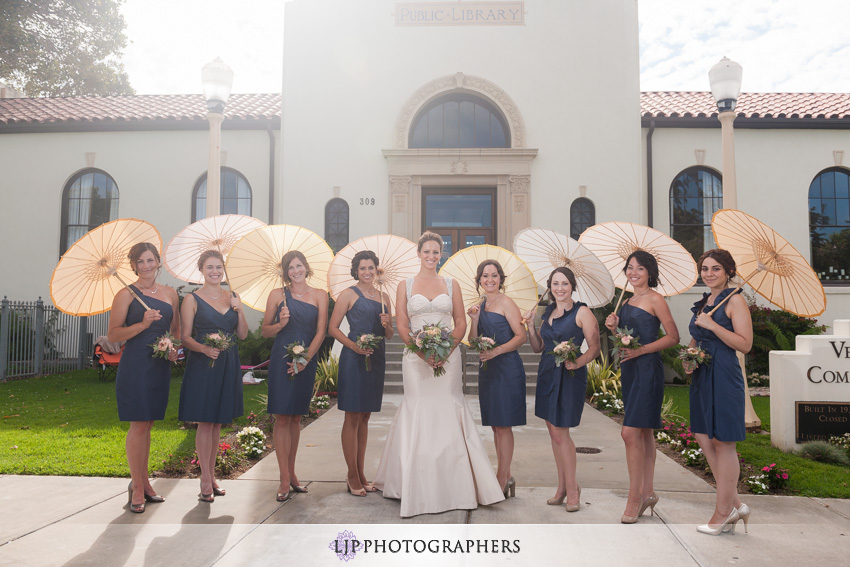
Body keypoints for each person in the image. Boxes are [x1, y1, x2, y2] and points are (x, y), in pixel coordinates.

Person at [372, 232, 505, 517]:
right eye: (427, 251)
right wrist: (422, 353)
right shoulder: (404, 286)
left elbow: (459, 320)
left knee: (447, 407)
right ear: (418, 253)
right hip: (415, 358)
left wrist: (446, 350)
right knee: (418, 409)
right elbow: (404, 325)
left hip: (449, 356)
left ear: (440, 254)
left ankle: (454, 486)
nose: (431, 256)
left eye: (436, 252)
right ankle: (414, 485)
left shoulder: (451, 284)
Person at [604, 250, 679, 524]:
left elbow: (673, 336)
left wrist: (641, 351)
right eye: (630, 268)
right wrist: (613, 328)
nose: (633, 272)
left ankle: (634, 498)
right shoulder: (627, 300)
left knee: (629, 433)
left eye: (639, 268)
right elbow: (626, 339)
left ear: (650, 272)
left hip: (647, 370)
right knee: (644, 433)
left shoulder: (655, 299)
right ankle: (648, 492)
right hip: (630, 369)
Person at [108, 242, 180, 513]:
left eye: (151, 260)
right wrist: (142, 324)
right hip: (136, 365)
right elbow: (114, 335)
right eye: (141, 262)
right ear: (134, 266)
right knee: (138, 424)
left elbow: (175, 332)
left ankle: (145, 482)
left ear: (158, 262)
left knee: (149, 424)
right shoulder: (125, 294)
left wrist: (173, 349)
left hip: (159, 366)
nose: (147, 266)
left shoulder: (171, 294)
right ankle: (137, 486)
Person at [686, 249, 753, 535]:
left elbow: (745, 344)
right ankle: (737, 503)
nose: (709, 273)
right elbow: (697, 335)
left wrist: (713, 324)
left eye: (715, 268)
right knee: (703, 434)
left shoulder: (735, 301)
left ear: (728, 272)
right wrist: (689, 356)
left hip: (724, 374)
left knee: (723, 441)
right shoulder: (706, 302)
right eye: (705, 268)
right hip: (702, 373)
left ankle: (723, 512)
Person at [523, 267, 600, 512]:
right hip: (547, 373)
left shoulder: (582, 312)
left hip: (569, 375)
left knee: (561, 433)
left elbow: (595, 348)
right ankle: (563, 487)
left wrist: (576, 362)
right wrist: (530, 327)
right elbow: (538, 348)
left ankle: (573, 489)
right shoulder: (547, 313)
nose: (559, 288)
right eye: (555, 284)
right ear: (550, 286)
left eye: (564, 283)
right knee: (553, 435)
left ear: (572, 285)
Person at [178, 250, 249, 502]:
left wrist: (240, 310)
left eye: (219, 267)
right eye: (210, 267)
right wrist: (204, 348)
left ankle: (212, 474)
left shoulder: (233, 297)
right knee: (206, 421)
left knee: (218, 422)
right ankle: (205, 478)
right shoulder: (192, 300)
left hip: (228, 362)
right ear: (201, 270)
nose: (215, 271)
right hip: (203, 363)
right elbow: (184, 337)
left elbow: (242, 335)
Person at [262, 250, 329, 502]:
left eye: (299, 265)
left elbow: (321, 331)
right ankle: (282, 478)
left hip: (307, 359)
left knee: (296, 418)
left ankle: (292, 473)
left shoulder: (320, 295)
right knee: (282, 416)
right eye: (290, 267)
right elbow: (266, 331)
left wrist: (305, 360)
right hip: (283, 358)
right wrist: (280, 324)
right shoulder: (277, 295)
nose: (295, 271)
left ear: (306, 267)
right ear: (285, 272)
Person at [329, 250, 393, 496]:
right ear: (356, 270)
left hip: (376, 358)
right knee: (352, 416)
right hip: (354, 357)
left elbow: (389, 335)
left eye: (371, 268)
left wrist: (388, 324)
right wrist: (354, 346)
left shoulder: (385, 296)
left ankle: (361, 471)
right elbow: (332, 328)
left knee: (365, 416)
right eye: (362, 268)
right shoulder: (348, 294)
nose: (367, 272)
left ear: (377, 270)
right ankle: (351, 474)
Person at [466, 259, 527, 496]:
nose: (489, 279)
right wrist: (473, 320)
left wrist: (496, 351)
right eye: (485, 275)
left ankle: (502, 475)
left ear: (501, 278)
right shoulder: (479, 305)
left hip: (507, 368)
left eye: (494, 275)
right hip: (488, 370)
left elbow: (521, 336)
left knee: (504, 426)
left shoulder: (506, 302)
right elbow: (472, 341)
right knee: (495, 426)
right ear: (479, 280)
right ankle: (507, 474)